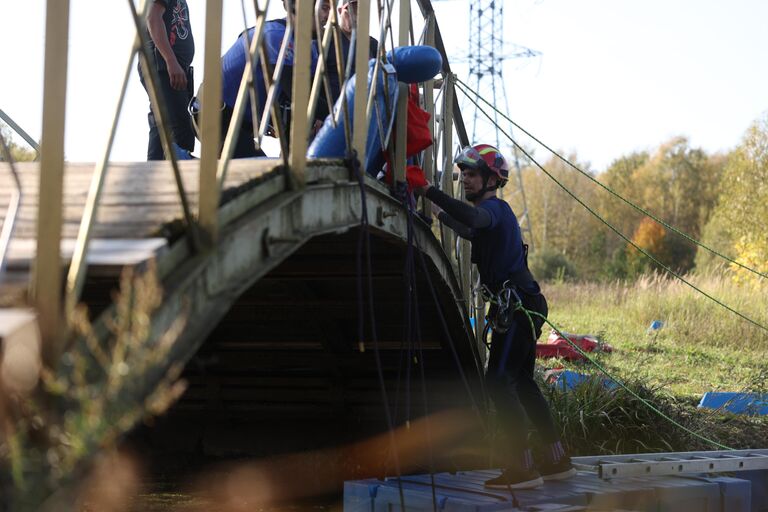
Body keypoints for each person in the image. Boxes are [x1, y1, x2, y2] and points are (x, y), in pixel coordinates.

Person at [412, 144, 576, 490]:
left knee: (499, 383)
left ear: (490, 179)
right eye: (465, 175)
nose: (466, 180)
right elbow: (469, 230)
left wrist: (429, 190)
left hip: (517, 307)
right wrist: (432, 212)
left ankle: (522, 467)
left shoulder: (495, 209)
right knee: (523, 383)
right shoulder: (489, 216)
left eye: (472, 174)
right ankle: (556, 459)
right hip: (521, 304)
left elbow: (474, 220)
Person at [218, 0, 331, 158]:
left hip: (241, 126)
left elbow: (314, 95)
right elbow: (299, 95)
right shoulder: (275, 35)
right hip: (216, 117)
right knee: (259, 173)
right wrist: (339, 118)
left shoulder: (309, 50)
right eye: (324, 8)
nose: (327, 16)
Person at [139, 0, 196, 160]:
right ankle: (179, 179)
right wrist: (171, 61)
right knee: (179, 128)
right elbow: (153, 18)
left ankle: (153, 172)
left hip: (170, 64)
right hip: (163, 63)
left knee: (162, 124)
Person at [325, 0, 378, 102]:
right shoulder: (327, 38)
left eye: (359, 12)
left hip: (364, 107)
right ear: (340, 11)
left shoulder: (372, 44)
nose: (354, 17)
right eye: (349, 11)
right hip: (333, 107)